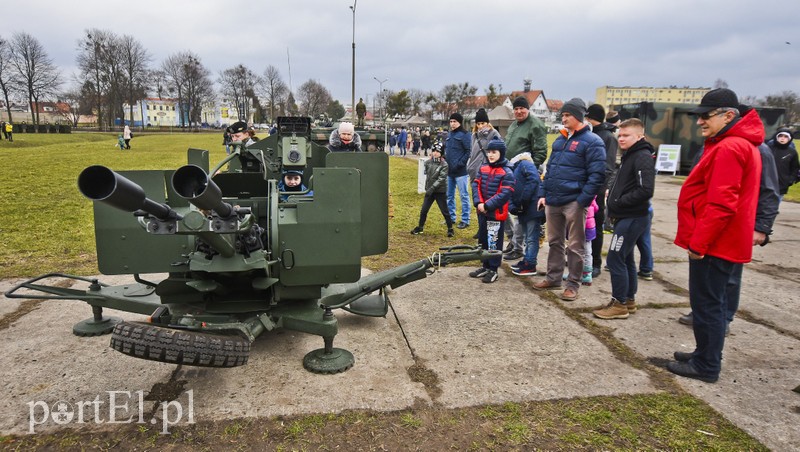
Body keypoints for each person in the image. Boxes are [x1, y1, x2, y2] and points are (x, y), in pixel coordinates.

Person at [669, 88, 763, 383]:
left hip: (715, 243)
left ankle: (706, 365)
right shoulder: (737, 144)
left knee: (707, 304)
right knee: (713, 302)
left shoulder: (730, 147)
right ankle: (704, 354)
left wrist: (699, 244)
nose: (699, 122)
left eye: (705, 116)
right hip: (724, 240)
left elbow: (722, 204)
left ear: (728, 115)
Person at [678, 121, 781, 333]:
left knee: (729, 279)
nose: (700, 121)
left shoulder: (753, 148)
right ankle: (707, 317)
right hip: (709, 225)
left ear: (729, 116)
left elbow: (768, 189)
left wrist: (762, 226)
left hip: (731, 227)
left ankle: (723, 318)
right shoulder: (716, 144)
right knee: (709, 289)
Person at [532, 98, 605, 301]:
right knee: (554, 241)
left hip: (574, 201)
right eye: (562, 115)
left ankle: (573, 284)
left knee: (575, 245)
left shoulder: (592, 142)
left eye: (567, 115)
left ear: (579, 117)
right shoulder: (560, 139)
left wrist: (582, 200)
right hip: (554, 199)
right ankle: (553, 277)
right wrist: (543, 193)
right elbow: (550, 169)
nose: (563, 118)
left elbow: (597, 175)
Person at [593, 118, 656, 320]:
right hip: (626, 216)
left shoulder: (642, 156)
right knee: (626, 258)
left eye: (626, 135)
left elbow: (646, 189)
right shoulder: (631, 155)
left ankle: (619, 303)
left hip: (633, 217)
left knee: (615, 258)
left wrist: (619, 202)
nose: (621, 138)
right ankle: (628, 299)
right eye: (620, 135)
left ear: (639, 136)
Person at [502, 96, 548, 262]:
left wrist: (529, 170)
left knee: (523, 211)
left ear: (528, 109)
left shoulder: (535, 124)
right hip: (512, 171)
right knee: (514, 209)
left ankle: (519, 247)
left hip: (526, 173)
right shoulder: (514, 124)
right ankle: (515, 244)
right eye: (516, 109)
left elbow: (541, 151)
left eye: (522, 108)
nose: (519, 111)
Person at [469, 138, 515, 283]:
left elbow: (504, 194)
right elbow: (476, 185)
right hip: (482, 212)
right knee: (483, 240)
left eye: (494, 152)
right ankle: (485, 265)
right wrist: (479, 202)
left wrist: (488, 205)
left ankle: (493, 269)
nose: (490, 155)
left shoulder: (507, 172)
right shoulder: (483, 168)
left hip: (495, 213)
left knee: (493, 241)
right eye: (489, 152)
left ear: (501, 153)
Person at [586, 104, 616, 278]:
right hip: (584, 188)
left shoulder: (607, 137)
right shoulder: (589, 135)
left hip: (596, 190)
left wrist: (597, 188)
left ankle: (595, 262)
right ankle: (583, 258)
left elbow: (608, 166)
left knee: (595, 226)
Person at [507, 151, 545, 276]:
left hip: (532, 207)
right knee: (528, 237)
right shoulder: (515, 169)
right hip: (524, 209)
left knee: (531, 238)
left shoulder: (524, 164)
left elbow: (533, 180)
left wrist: (523, 200)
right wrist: (515, 206)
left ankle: (530, 264)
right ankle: (527, 260)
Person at [411, 142, 454, 237]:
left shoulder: (444, 164)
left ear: (441, 152)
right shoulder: (428, 162)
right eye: (434, 151)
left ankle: (450, 228)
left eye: (438, 151)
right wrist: (428, 188)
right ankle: (420, 227)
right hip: (430, 190)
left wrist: (432, 188)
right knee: (424, 210)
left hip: (440, 191)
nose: (435, 153)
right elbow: (427, 175)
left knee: (445, 211)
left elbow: (441, 179)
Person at [445, 112, 472, 229]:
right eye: (451, 121)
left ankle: (465, 219)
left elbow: (468, 151)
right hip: (449, 172)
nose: (452, 123)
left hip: (461, 172)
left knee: (464, 196)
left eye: (454, 121)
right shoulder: (449, 135)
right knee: (449, 196)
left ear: (459, 122)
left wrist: (460, 163)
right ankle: (451, 217)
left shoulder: (465, 135)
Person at [467, 108, 501, 183]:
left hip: (488, 170)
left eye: (482, 123)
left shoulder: (494, 133)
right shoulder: (474, 135)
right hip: (474, 170)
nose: (480, 126)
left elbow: (501, 150)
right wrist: (470, 167)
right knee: (475, 193)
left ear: (487, 123)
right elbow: (472, 153)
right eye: (478, 124)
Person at [766, 127, 798, 202]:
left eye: (785, 137)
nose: (782, 138)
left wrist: (790, 180)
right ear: (776, 137)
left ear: (789, 138)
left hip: (782, 183)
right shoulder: (768, 148)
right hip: (767, 181)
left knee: (775, 205)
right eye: (781, 136)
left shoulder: (792, 152)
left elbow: (795, 168)